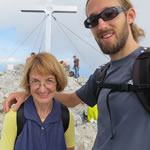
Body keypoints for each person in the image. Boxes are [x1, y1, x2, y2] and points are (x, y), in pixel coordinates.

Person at [3, 0, 150, 149]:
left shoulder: (147, 65)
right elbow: (71, 100)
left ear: (130, 15)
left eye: (109, 14)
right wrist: (32, 93)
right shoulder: (101, 75)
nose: (101, 25)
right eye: (92, 20)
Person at [0, 52, 75, 150]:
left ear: (57, 82)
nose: (42, 89)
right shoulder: (14, 117)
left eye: (49, 80)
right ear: (28, 83)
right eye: (36, 81)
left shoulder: (66, 116)